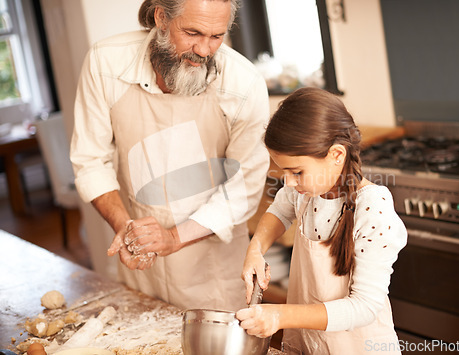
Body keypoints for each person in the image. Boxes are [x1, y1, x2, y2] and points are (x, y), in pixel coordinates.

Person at [70, 0, 270, 312]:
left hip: (213, 270)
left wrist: (174, 238)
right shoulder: (106, 62)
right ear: (161, 17)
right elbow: (90, 159)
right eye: (193, 33)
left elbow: (244, 186)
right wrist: (126, 228)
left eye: (216, 36)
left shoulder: (244, 83)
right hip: (140, 260)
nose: (204, 50)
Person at [236, 87, 407, 354]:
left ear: (336, 155)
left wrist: (281, 316)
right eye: (285, 172)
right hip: (311, 345)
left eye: (297, 171)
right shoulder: (305, 191)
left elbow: (364, 307)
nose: (288, 182)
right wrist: (255, 248)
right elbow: (279, 211)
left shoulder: (373, 208)